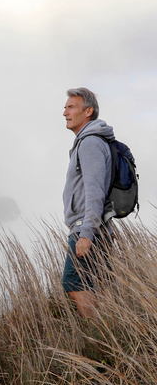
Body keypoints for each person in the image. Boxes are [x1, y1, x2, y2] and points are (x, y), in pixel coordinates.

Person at [62, 87, 114, 319]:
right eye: (65, 107)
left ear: (88, 111)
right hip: (95, 227)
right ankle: (105, 332)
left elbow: (95, 192)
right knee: (94, 285)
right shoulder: (89, 141)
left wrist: (86, 234)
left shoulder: (90, 143)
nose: (65, 112)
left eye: (71, 107)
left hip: (88, 227)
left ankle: (97, 332)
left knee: (73, 282)